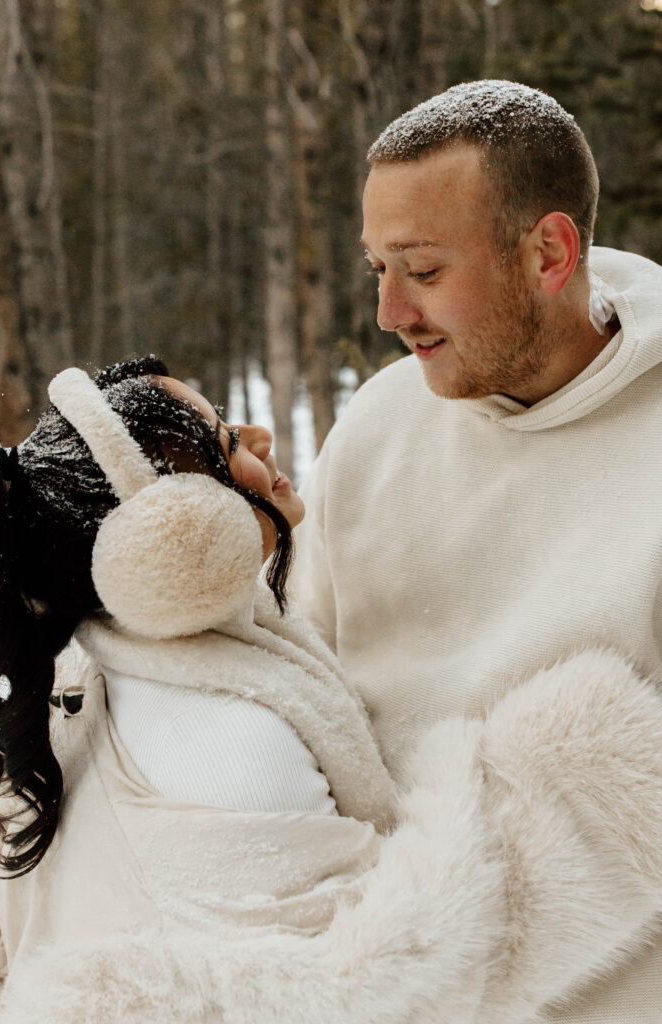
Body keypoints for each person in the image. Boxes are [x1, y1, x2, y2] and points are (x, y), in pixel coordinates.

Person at [0, 356, 662, 1024]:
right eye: (223, 444)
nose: (260, 433)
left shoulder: (90, 675)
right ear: (170, 530)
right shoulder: (225, 736)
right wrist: (590, 792)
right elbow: (385, 990)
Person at [293, 78, 662, 1023]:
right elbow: (302, 700)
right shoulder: (375, 430)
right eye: (376, 266)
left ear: (548, 252)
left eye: (421, 269)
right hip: (385, 982)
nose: (388, 313)